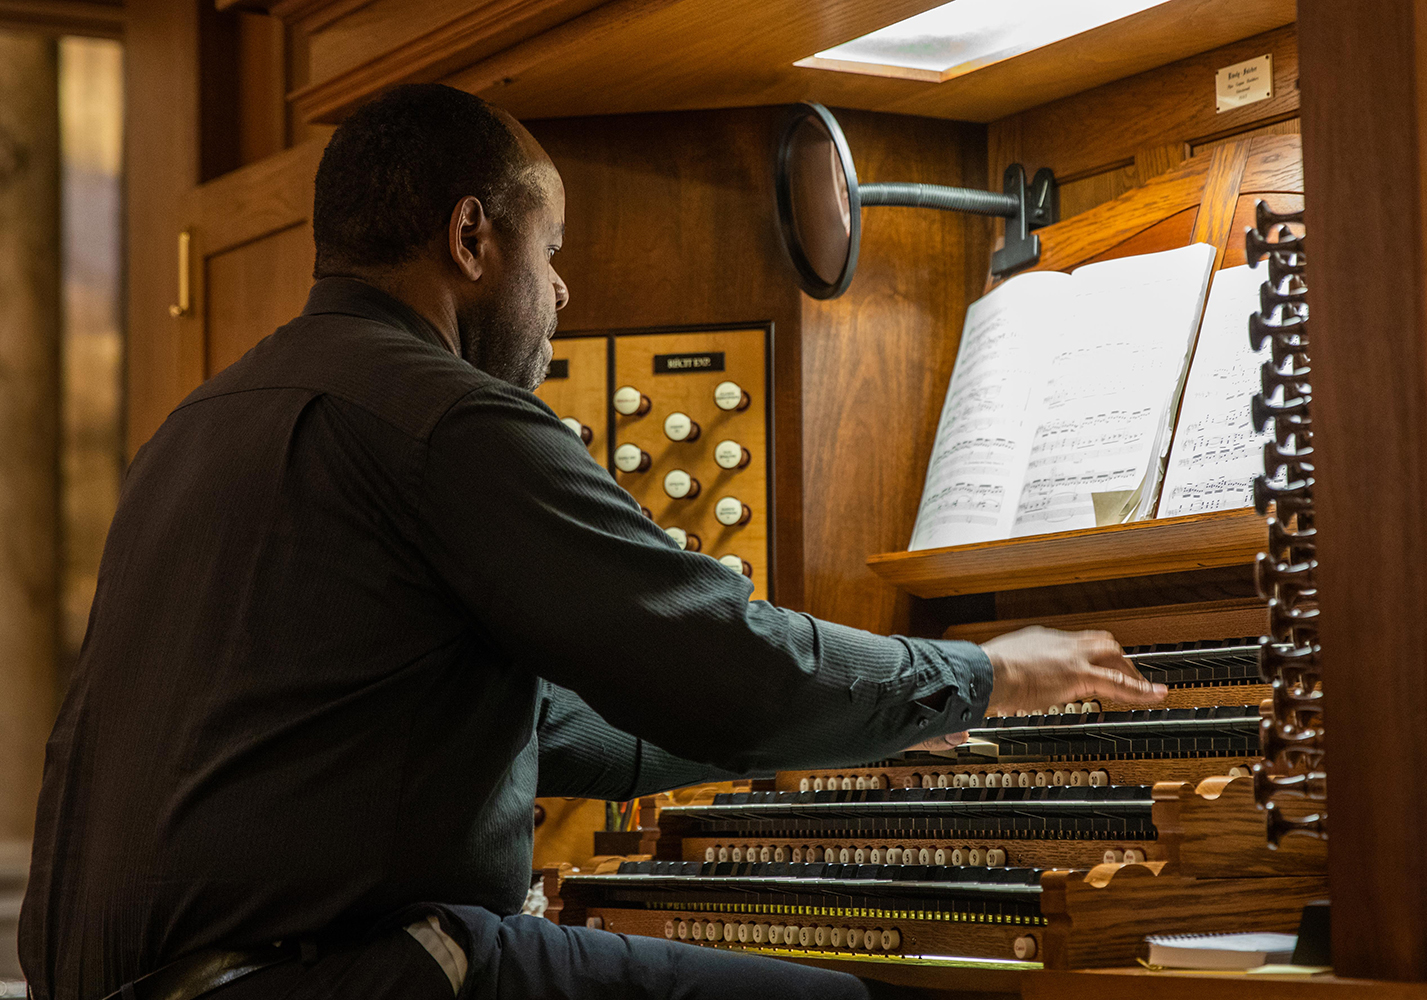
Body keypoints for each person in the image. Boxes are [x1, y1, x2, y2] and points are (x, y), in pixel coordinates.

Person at [19, 84, 1165, 1000]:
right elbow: (726, 671)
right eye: (551, 246)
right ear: (471, 235)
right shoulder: (444, 419)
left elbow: (544, 726)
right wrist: (982, 673)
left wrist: (869, 717)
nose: (561, 291)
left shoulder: (196, 426)